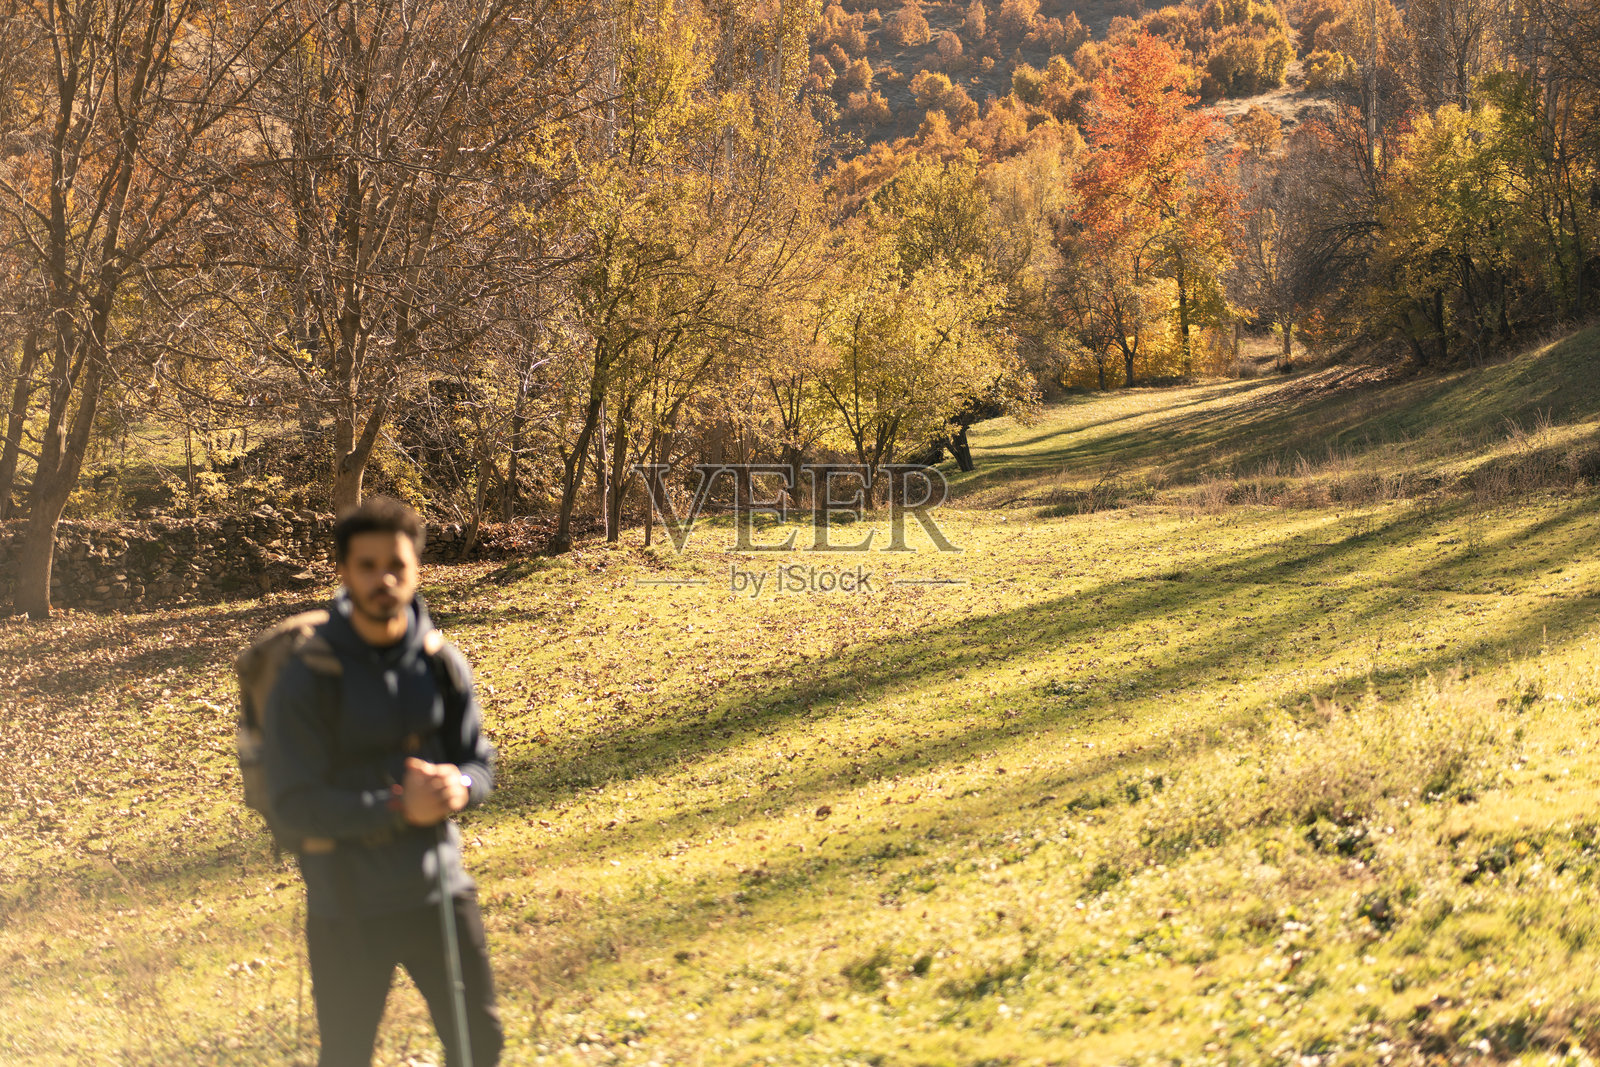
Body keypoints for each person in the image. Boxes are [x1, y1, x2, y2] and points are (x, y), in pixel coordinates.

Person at [263, 496, 502, 1067]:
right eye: (367, 566)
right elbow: (291, 805)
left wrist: (458, 789)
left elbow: (479, 763)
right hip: (346, 906)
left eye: (396, 564)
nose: (383, 579)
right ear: (344, 572)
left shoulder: (441, 661)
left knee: (480, 1046)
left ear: (417, 568)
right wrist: (398, 806)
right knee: (347, 1056)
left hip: (439, 893)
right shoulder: (307, 676)